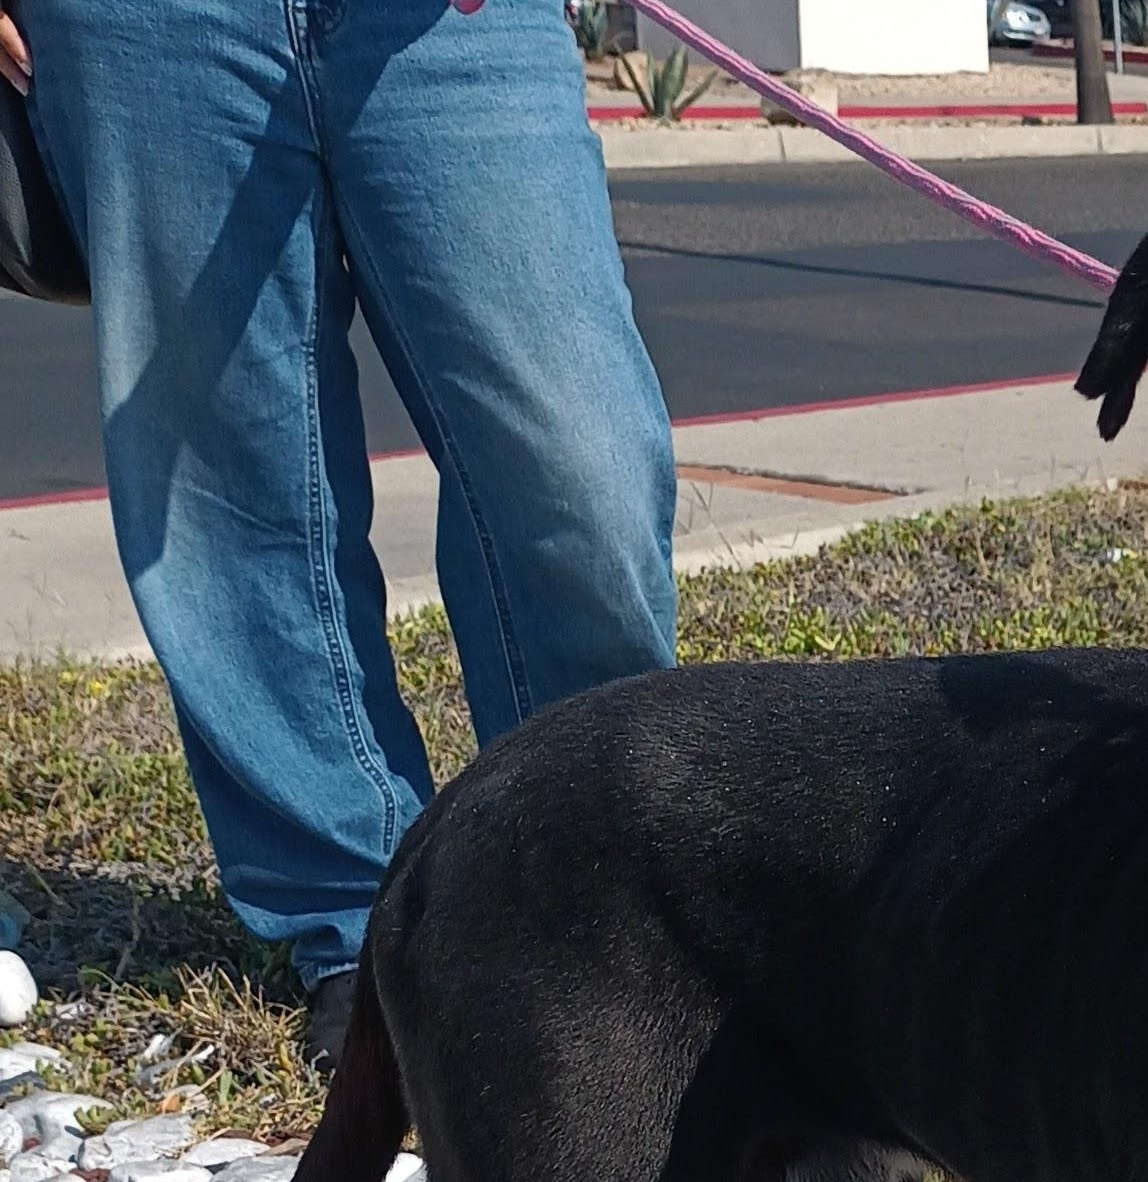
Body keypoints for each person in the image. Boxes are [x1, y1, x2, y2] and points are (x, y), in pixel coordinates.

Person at [3, 0, 678, 1068]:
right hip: (143, 28)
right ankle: (354, 923)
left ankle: (597, 885)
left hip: (444, 25)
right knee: (228, 486)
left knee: (575, 454)